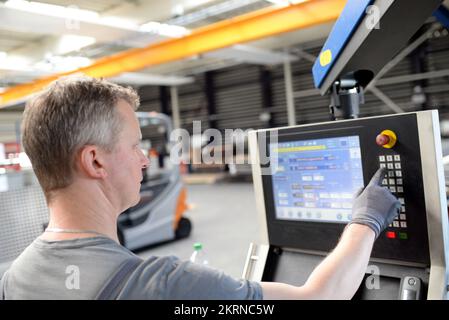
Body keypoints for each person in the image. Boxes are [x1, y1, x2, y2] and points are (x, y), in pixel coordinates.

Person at [0, 76, 400, 300]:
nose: (144, 159)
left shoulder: (15, 278)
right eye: (135, 145)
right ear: (95, 161)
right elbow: (319, 299)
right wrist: (365, 220)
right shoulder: (163, 283)